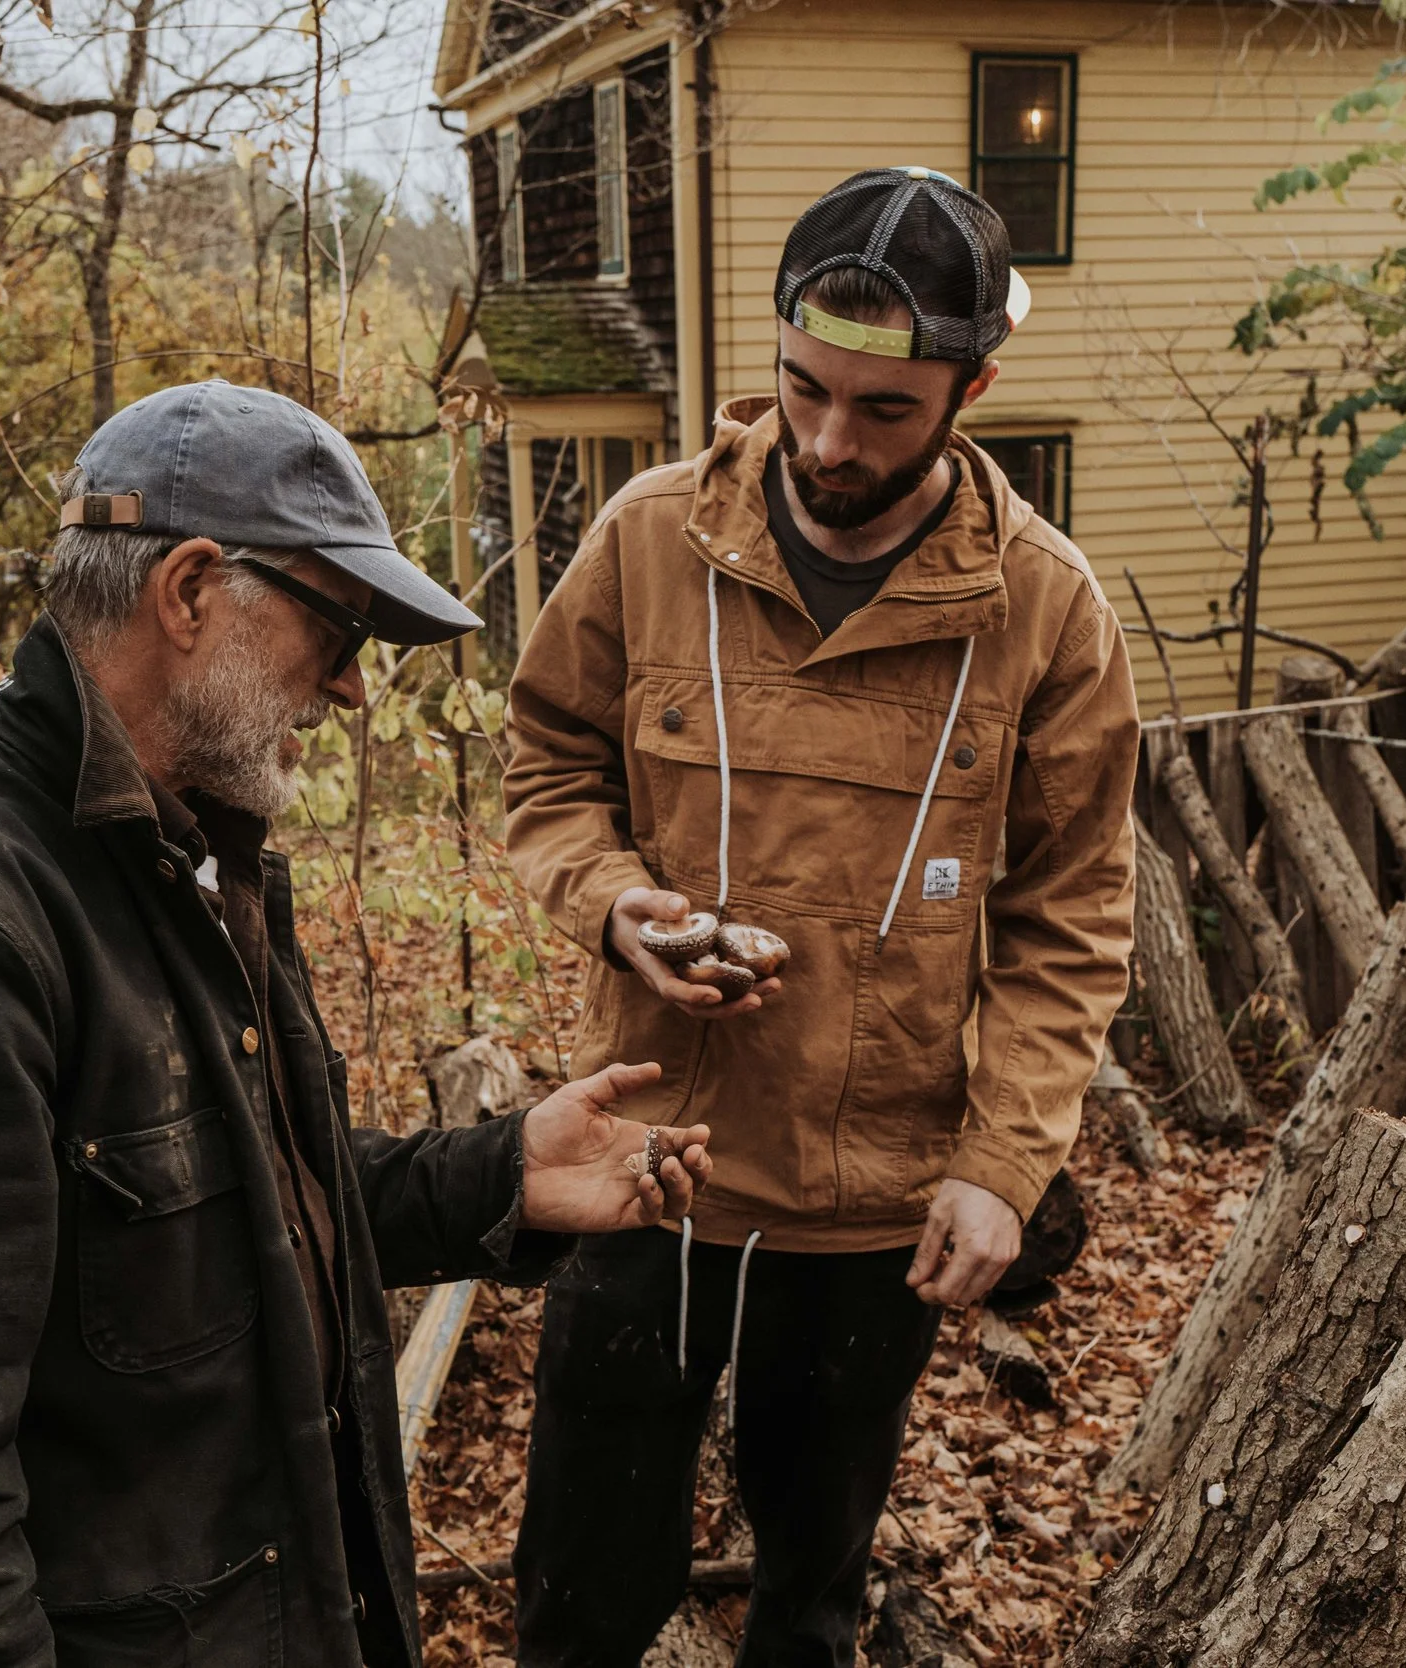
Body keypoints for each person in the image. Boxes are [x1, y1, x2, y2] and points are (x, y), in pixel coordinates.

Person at [0, 380, 713, 1668]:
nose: (350, 688)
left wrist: (501, 1175)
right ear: (188, 592)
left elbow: (223, 1216)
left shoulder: (179, 864)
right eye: (338, 627)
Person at [501, 168, 1139, 1667]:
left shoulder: (1046, 610)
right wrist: (613, 904)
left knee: (809, 1600)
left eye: (885, 409)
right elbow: (545, 764)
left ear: (972, 390)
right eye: (803, 389)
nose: (831, 441)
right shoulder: (649, 540)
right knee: (582, 1592)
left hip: (872, 1207)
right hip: (644, 1163)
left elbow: (1070, 915)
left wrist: (1002, 1164)